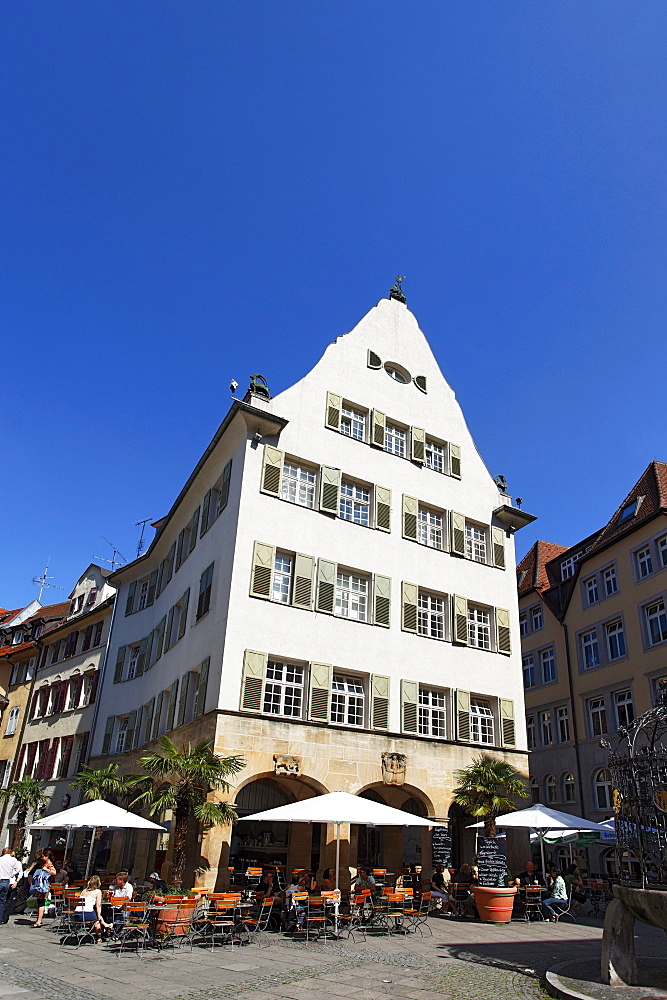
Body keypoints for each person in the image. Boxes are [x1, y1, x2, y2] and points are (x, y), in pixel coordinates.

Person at [76, 876, 112, 943]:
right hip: (86, 914)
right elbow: (98, 906)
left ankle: (105, 924)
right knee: (96, 920)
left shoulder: (84, 891)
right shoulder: (98, 891)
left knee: (95, 915)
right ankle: (99, 938)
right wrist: (99, 917)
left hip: (77, 914)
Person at [29, 849, 56, 928]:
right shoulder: (43, 863)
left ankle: (39, 920)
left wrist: (46, 869)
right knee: (40, 902)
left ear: (47, 857)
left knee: (41, 902)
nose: (42, 858)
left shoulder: (49, 864)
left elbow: (54, 872)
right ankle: (39, 919)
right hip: (40, 886)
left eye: (43, 856)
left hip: (43, 886)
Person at [0, 848, 22, 924]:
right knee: (3, 901)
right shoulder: (14, 860)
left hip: (4, 879)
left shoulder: (1, 859)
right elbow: (19, 870)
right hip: (7, 881)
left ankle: (3, 917)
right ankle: (1, 918)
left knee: (5, 900)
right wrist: (11, 874)